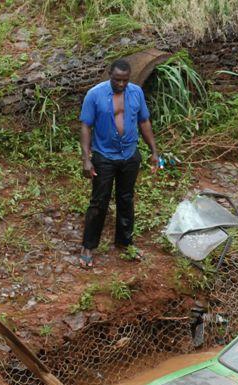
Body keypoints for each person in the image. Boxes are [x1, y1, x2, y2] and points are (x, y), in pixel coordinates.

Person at [78, 58, 159, 268]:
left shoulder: (136, 92)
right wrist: (87, 159)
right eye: (117, 80)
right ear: (110, 75)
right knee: (99, 202)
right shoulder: (95, 95)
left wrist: (154, 151)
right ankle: (88, 245)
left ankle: (125, 242)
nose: (121, 84)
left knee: (126, 198)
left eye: (125, 80)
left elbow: (144, 121)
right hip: (104, 156)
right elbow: (86, 126)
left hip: (129, 155)